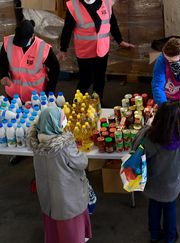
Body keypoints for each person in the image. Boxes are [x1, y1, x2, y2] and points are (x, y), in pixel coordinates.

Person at [132, 102, 180, 243]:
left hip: (152, 185)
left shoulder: (150, 138)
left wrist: (146, 126)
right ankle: (170, 238)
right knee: (170, 210)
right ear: (177, 120)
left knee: (153, 208)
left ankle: (154, 235)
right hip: (171, 187)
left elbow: (135, 146)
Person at [27, 107, 91, 243]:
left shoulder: (37, 144)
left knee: (54, 229)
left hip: (48, 199)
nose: (65, 120)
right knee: (70, 232)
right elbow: (82, 162)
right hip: (67, 200)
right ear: (55, 124)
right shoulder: (64, 147)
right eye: (62, 118)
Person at [58, 0, 134, 105]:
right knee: (86, 79)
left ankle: (98, 104)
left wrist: (119, 40)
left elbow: (112, 22)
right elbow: (67, 28)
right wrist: (63, 48)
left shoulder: (106, 2)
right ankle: (77, 105)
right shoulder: (73, 5)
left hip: (102, 49)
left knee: (100, 79)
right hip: (85, 50)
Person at [0, 19, 59, 102]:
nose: (20, 45)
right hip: (13, 95)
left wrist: (49, 92)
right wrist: (4, 75)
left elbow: (55, 69)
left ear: (32, 36)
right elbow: (2, 62)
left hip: (35, 97)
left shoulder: (42, 48)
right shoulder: (8, 43)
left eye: (22, 42)